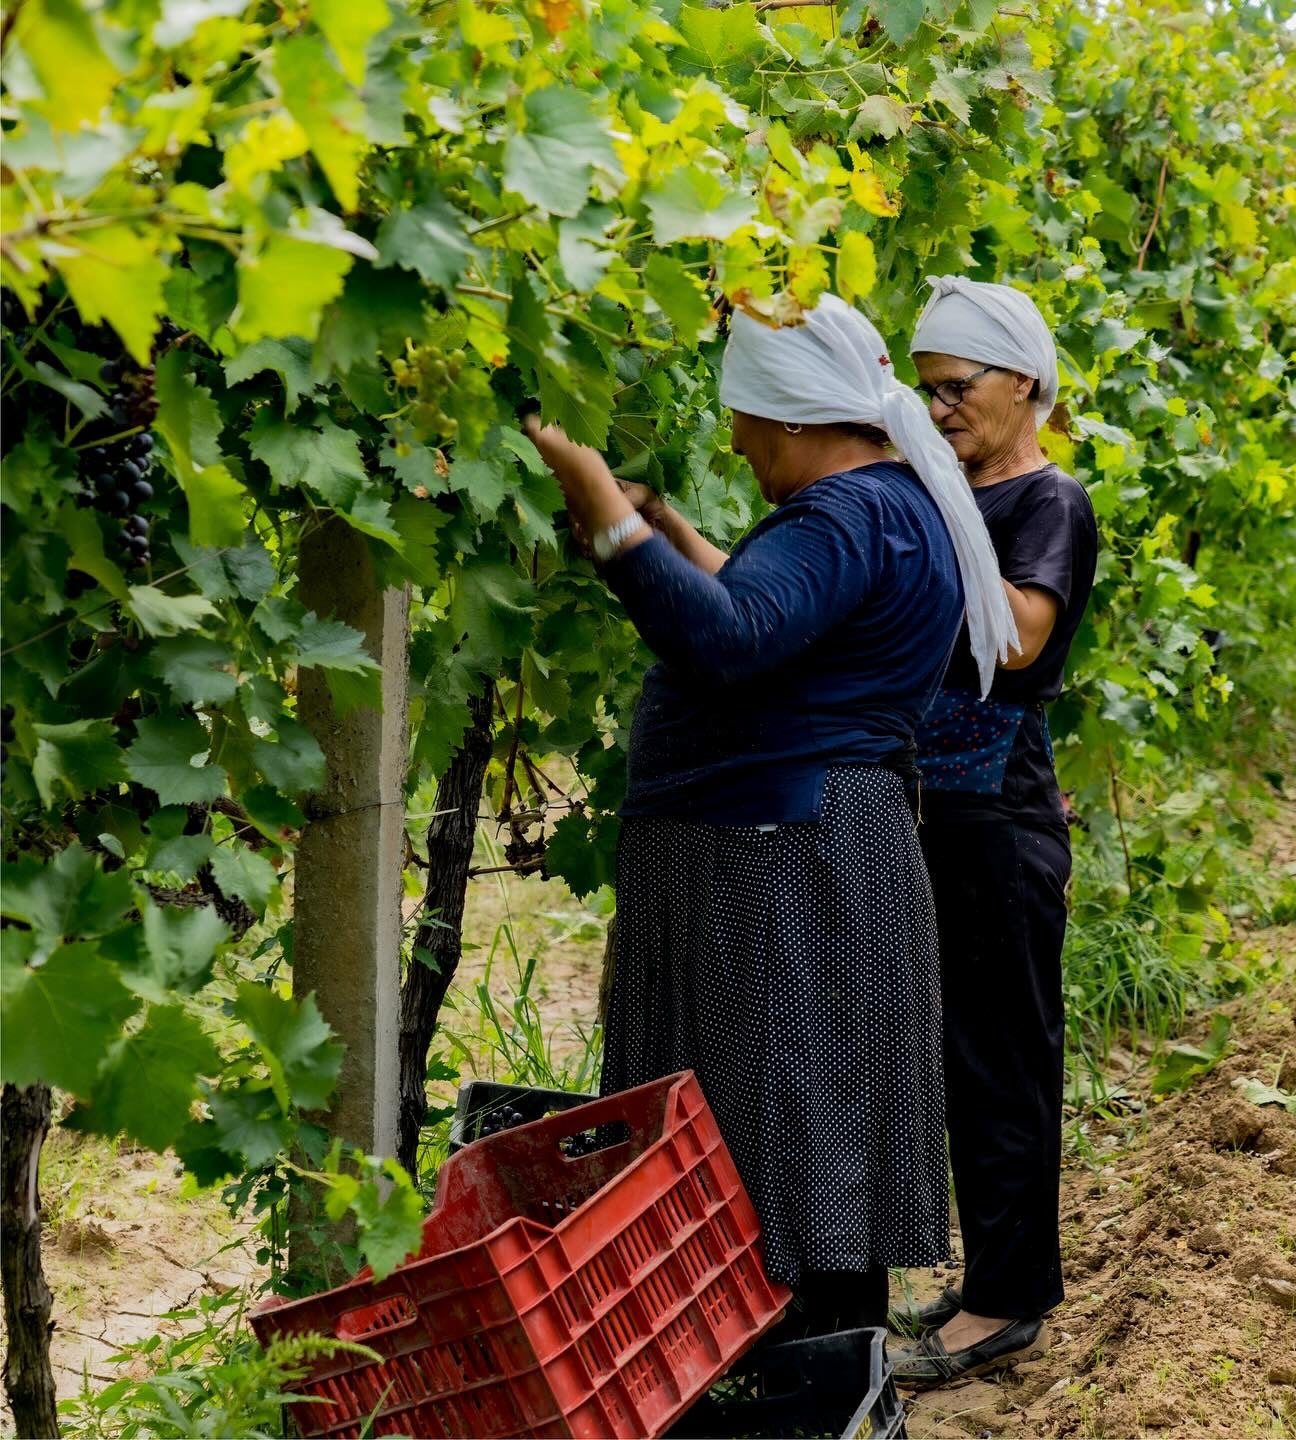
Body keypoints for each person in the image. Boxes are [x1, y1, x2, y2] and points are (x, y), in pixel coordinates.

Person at [525, 294, 1017, 1337]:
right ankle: (828, 1373)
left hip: (780, 860)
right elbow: (780, 617)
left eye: (746, 426)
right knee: (810, 1134)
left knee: (774, 1137)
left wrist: (609, 519)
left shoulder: (848, 515)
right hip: (809, 851)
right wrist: (665, 535)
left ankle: (795, 1379)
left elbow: (736, 638)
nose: (739, 447)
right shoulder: (885, 510)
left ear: (793, 418)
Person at [891, 276, 1099, 1387]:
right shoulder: (961, 490)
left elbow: (1017, 639)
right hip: (944, 815)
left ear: (1023, 381)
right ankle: (991, 1275)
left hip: (999, 818)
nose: (939, 412)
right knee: (965, 1062)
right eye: (925, 394)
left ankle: (1012, 1303)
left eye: (956, 388)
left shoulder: (1046, 504)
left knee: (1006, 1061)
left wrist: (941, 498)